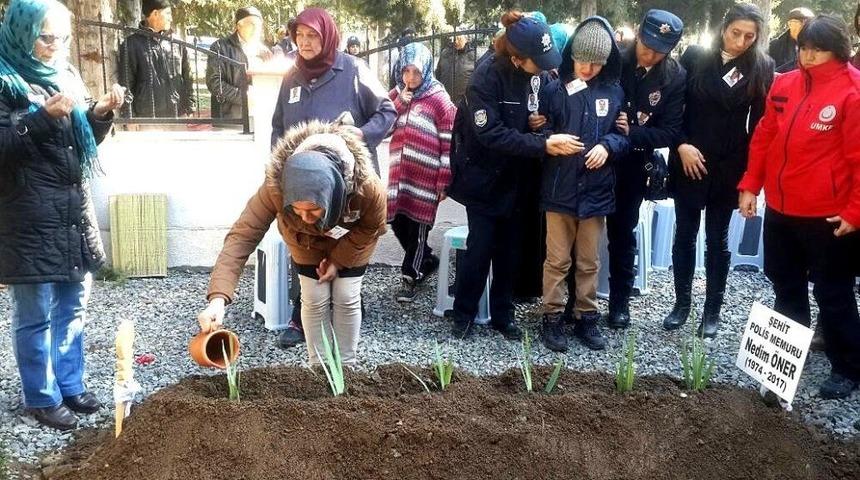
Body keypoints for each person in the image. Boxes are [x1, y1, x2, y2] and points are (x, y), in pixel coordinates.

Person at [0, 0, 124, 430]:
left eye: (62, 37)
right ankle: (41, 395)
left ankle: (69, 384)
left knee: (74, 305)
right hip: (28, 214)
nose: (55, 46)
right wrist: (39, 119)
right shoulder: (4, 80)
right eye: (45, 36)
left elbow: (78, 140)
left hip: (72, 209)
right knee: (35, 313)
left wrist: (99, 115)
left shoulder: (66, 74)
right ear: (21, 31)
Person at [738, 15, 860, 399]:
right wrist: (749, 186)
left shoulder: (853, 92)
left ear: (838, 51)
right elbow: (763, 138)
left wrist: (855, 212)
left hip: (828, 215)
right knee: (785, 285)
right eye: (803, 47)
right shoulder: (785, 83)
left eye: (817, 49)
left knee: (833, 292)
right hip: (781, 209)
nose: (807, 56)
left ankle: (848, 367)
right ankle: (788, 356)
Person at [199, 122, 386, 367]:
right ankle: (319, 368)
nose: (305, 217)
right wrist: (218, 300)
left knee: (346, 295)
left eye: (313, 209)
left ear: (335, 191)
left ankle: (346, 368)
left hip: (351, 240)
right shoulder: (274, 188)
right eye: (296, 209)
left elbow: (373, 226)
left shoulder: (367, 188)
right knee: (314, 297)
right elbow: (242, 237)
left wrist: (338, 261)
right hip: (304, 241)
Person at [447, 11, 581, 339]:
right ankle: (463, 314)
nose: (548, 67)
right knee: (481, 248)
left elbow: (548, 109)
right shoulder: (486, 77)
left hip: (520, 178)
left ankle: (502, 315)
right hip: (485, 176)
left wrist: (542, 125)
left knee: (511, 249)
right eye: (540, 61)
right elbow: (489, 133)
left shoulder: (541, 77)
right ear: (518, 58)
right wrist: (543, 143)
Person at [270, 7, 396, 349]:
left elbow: (388, 111)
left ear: (327, 37)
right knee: (304, 239)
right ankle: (302, 317)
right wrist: (280, 174)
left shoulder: (354, 70)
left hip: (348, 184)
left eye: (313, 36)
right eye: (300, 36)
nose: (305, 43)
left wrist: (359, 135)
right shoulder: (291, 77)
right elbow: (278, 128)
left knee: (348, 243)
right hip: (304, 187)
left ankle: (348, 308)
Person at [662, 3, 774, 338]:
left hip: (729, 166)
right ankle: (682, 304)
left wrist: (750, 180)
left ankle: (712, 311)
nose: (741, 41)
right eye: (735, 33)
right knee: (684, 234)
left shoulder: (761, 66)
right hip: (690, 158)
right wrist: (680, 145)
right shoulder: (695, 56)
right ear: (723, 28)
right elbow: (672, 109)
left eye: (749, 36)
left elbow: (760, 128)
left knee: (718, 239)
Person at [539, 17, 629, 352]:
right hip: (559, 191)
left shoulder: (614, 92)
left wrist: (608, 146)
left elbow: (622, 137)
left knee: (589, 261)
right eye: (581, 61)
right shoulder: (554, 88)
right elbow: (539, 132)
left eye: (595, 63)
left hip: (596, 192)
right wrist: (549, 138)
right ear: (571, 57)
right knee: (557, 260)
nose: (587, 68)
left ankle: (586, 317)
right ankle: (551, 316)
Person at [604, 9, 686, 330]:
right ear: (638, 34)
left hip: (635, 163)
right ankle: (576, 302)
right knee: (583, 231)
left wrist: (632, 132)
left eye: (659, 50)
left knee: (623, 233)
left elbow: (669, 131)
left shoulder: (674, 76)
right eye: (646, 45)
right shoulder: (614, 60)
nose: (650, 54)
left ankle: (619, 302)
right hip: (598, 157)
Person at [387, 42, 456, 301]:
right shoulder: (396, 95)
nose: (411, 78)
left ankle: (411, 274)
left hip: (425, 179)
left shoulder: (439, 98)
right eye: (406, 71)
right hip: (400, 177)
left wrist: (443, 180)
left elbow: (448, 141)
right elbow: (383, 127)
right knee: (396, 221)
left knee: (418, 227)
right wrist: (398, 103)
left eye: (416, 72)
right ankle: (425, 260)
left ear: (426, 70)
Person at [118, 0, 194, 118]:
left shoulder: (177, 43)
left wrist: (190, 107)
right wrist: (129, 116)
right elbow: (126, 83)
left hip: (177, 115)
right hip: (147, 117)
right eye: (168, 13)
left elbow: (188, 76)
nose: (171, 18)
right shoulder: (131, 44)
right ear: (155, 14)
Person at [205, 6, 271, 121]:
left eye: (259, 25)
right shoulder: (221, 48)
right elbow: (214, 83)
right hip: (230, 116)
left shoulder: (265, 52)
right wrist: (243, 97)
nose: (256, 29)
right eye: (251, 24)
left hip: (260, 115)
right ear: (238, 26)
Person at [768, 7, 814, 73]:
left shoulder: (817, 46)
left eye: (809, 23)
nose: (805, 26)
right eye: (801, 22)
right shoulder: (775, 46)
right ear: (790, 24)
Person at [434, 31, 476, 102]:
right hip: (445, 99)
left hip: (465, 102)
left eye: (459, 38)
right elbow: (438, 74)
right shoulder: (445, 53)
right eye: (455, 38)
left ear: (466, 39)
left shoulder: (473, 55)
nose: (456, 41)